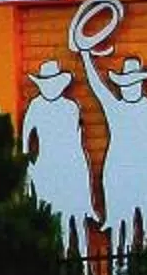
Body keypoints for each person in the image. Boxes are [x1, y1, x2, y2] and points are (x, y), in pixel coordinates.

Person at [83, 48, 147, 264]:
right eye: (127, 84)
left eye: (135, 83)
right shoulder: (115, 108)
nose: (131, 88)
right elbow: (97, 87)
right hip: (118, 173)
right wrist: (85, 57)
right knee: (121, 226)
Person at [19, 60, 93, 257]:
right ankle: (56, 266)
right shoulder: (35, 106)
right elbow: (25, 141)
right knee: (52, 222)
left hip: (72, 167)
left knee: (77, 220)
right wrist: (28, 170)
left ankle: (86, 271)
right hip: (45, 171)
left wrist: (82, 178)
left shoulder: (71, 107)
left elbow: (77, 141)